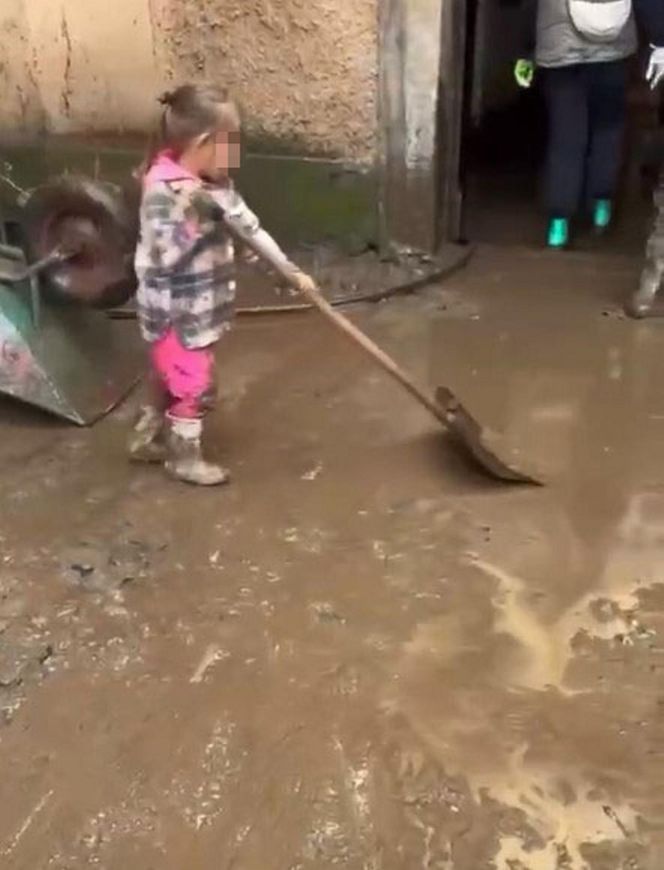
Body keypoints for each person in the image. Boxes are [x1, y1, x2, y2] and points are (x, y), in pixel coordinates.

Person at [130, 83, 316, 486]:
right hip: (174, 312)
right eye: (230, 144)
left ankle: (147, 437)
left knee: (171, 376)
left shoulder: (217, 188)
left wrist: (286, 271)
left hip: (202, 306)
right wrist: (195, 216)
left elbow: (250, 230)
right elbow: (167, 255)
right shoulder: (164, 190)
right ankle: (183, 457)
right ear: (203, 143)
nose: (237, 155)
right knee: (192, 384)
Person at [515, 0, 664, 249]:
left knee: (566, 135)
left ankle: (559, 224)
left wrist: (526, 51)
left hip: (559, 48)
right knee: (608, 128)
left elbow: (530, 6)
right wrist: (659, 39)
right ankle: (601, 207)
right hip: (613, 50)